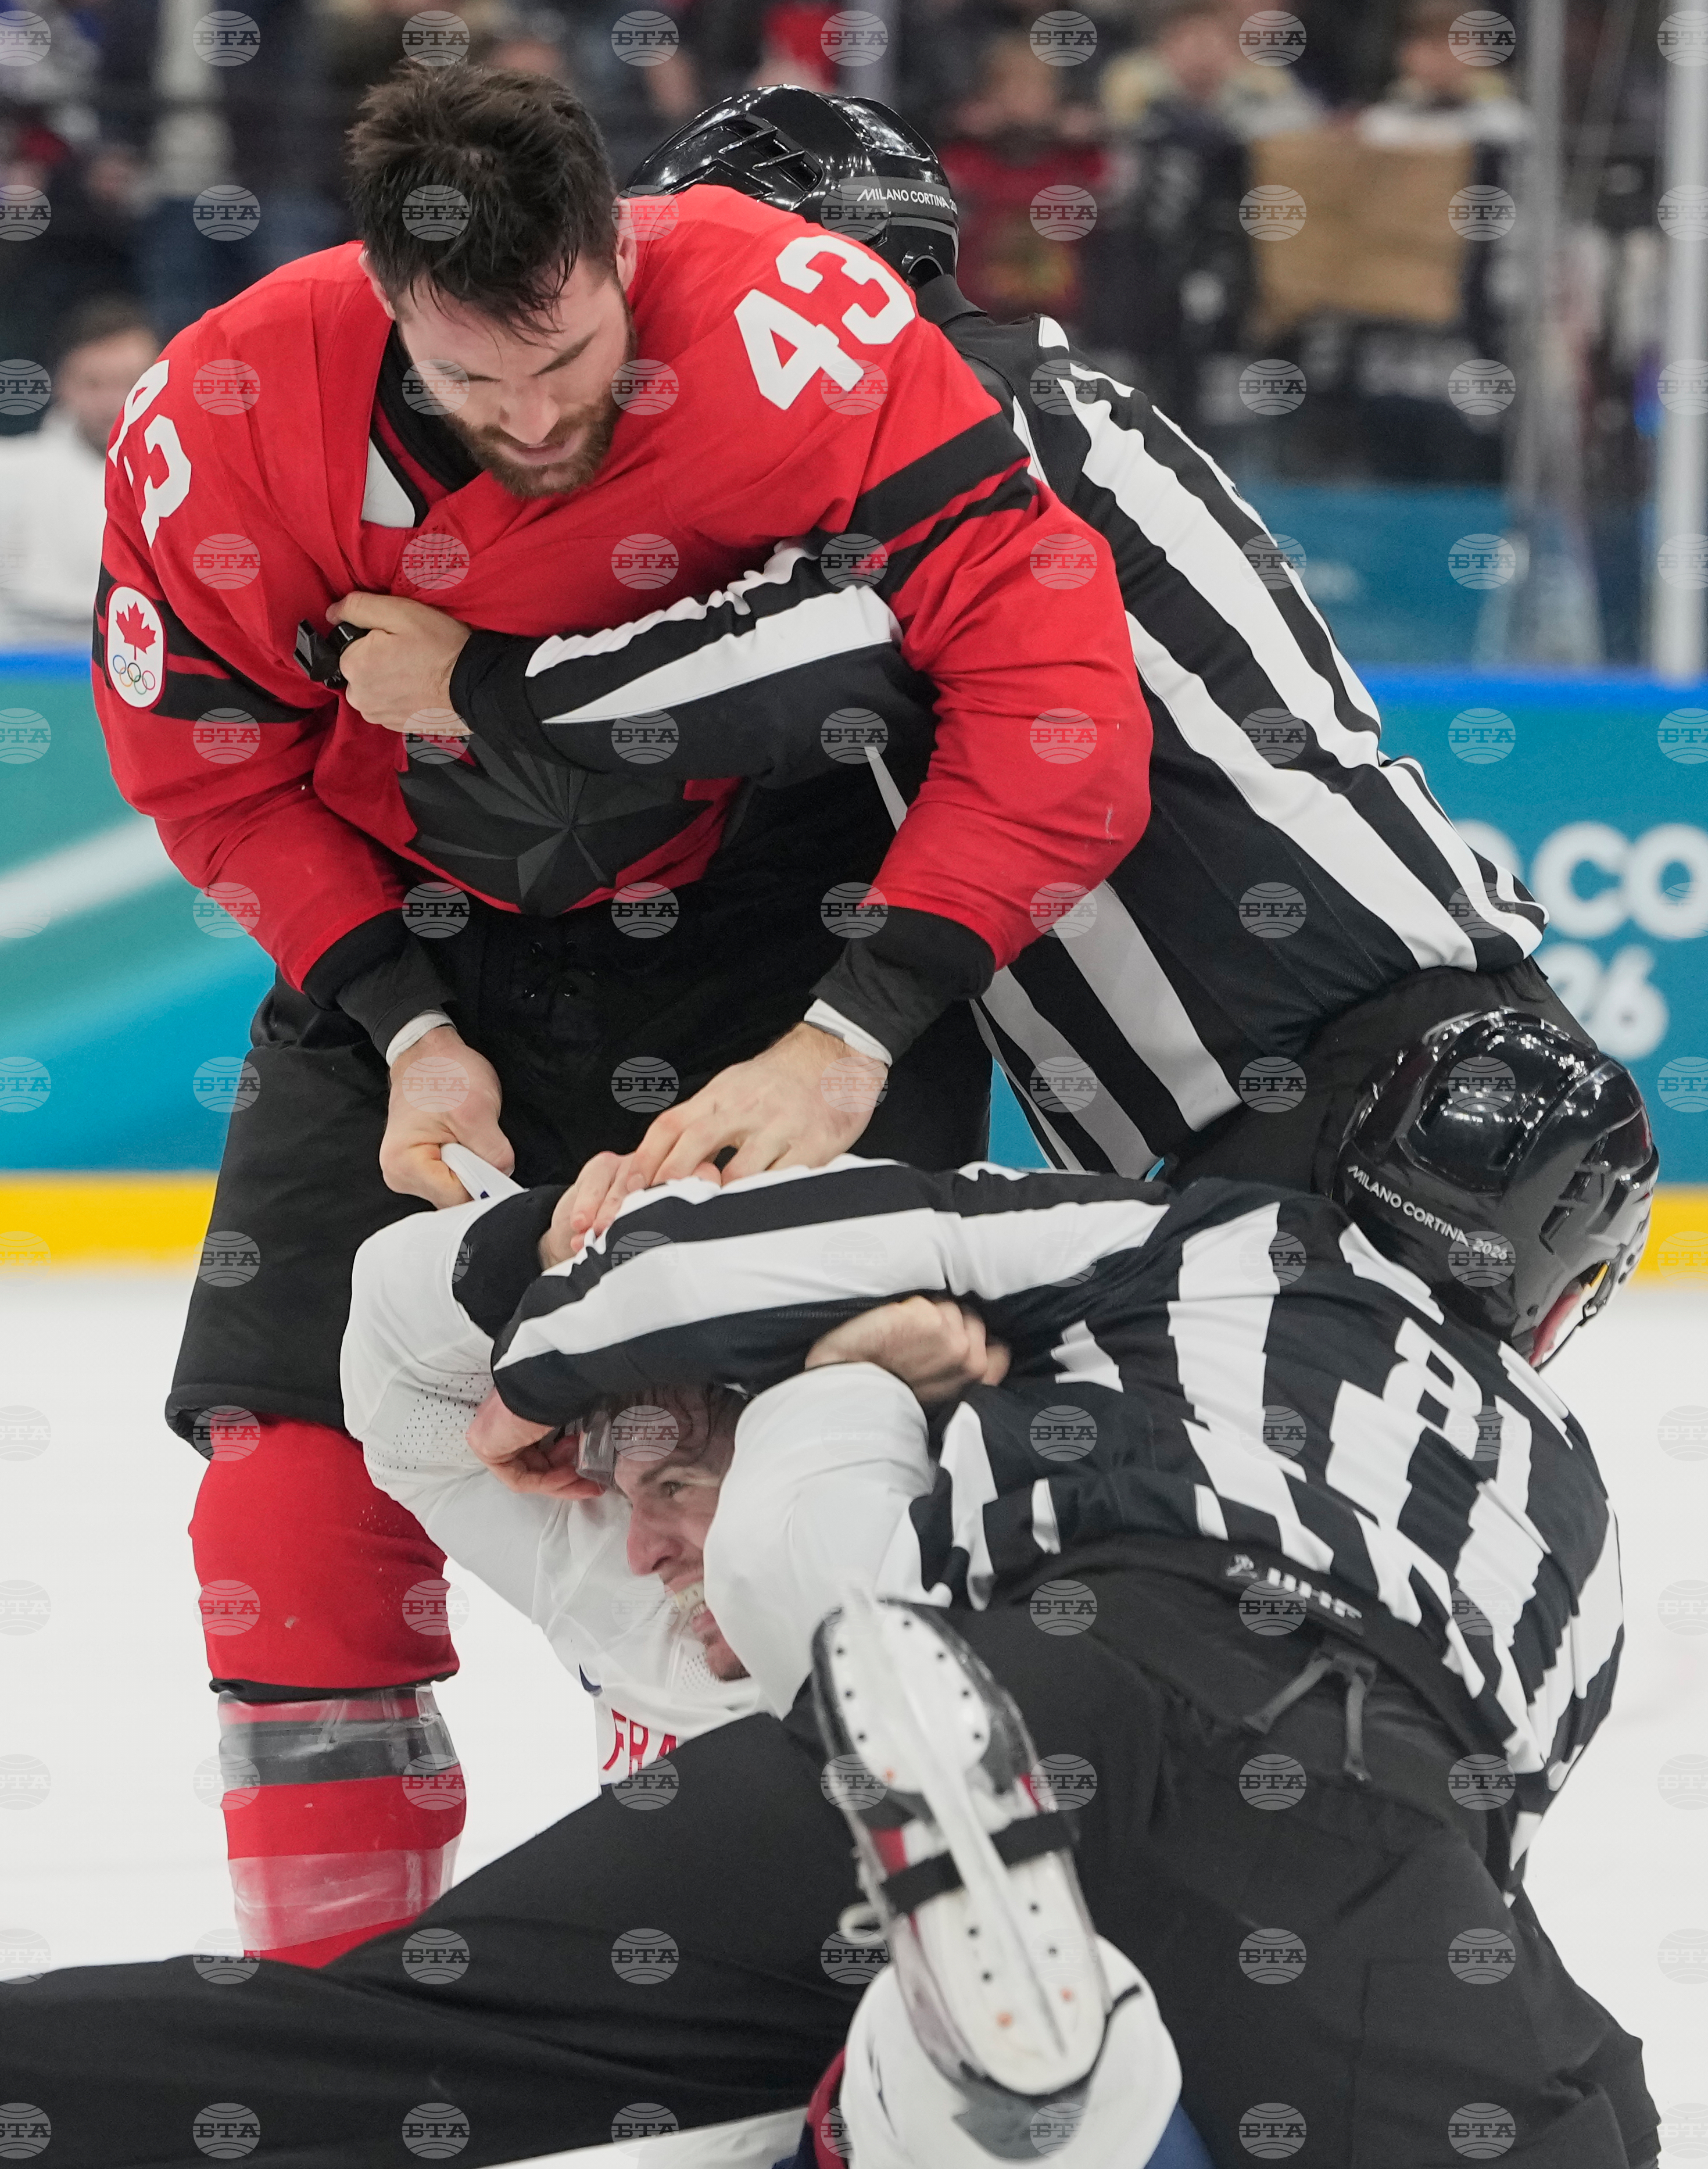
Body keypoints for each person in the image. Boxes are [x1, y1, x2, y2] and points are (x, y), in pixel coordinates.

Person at [90, 66, 1145, 1962]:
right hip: (416, 945)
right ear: (384, 303)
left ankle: (728, 2017)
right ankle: (335, 2048)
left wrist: (854, 1024)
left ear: (617, 252)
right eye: (467, 382)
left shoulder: (803, 330)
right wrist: (398, 1020)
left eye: (565, 361)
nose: (529, 423)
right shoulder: (221, 410)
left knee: (759, 1520)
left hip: (773, 941)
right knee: (284, 1533)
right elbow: (201, 764)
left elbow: (1054, 707)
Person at [0, 1013, 1658, 2166]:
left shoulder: (1207, 1236)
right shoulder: (1577, 1523)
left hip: (1035, 1685)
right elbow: (1490, 1848)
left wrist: (552, 1357)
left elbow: (776, 1239)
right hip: (1373, 1833)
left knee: (387, 2053)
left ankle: (950, 2062)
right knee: (1573, 2107)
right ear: (1568, 1285)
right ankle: (1023, 2103)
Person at [343, 83, 1575, 1263]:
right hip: (1362, 1074)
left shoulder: (968, 411)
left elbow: (828, 636)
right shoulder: (1032, 394)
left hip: (1361, 1070)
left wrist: (485, 684)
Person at [0, 297, 157, 647]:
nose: (112, 401)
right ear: (62, 384)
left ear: (160, 385)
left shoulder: (200, 483)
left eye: (129, 382)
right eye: (93, 383)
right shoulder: (9, 472)